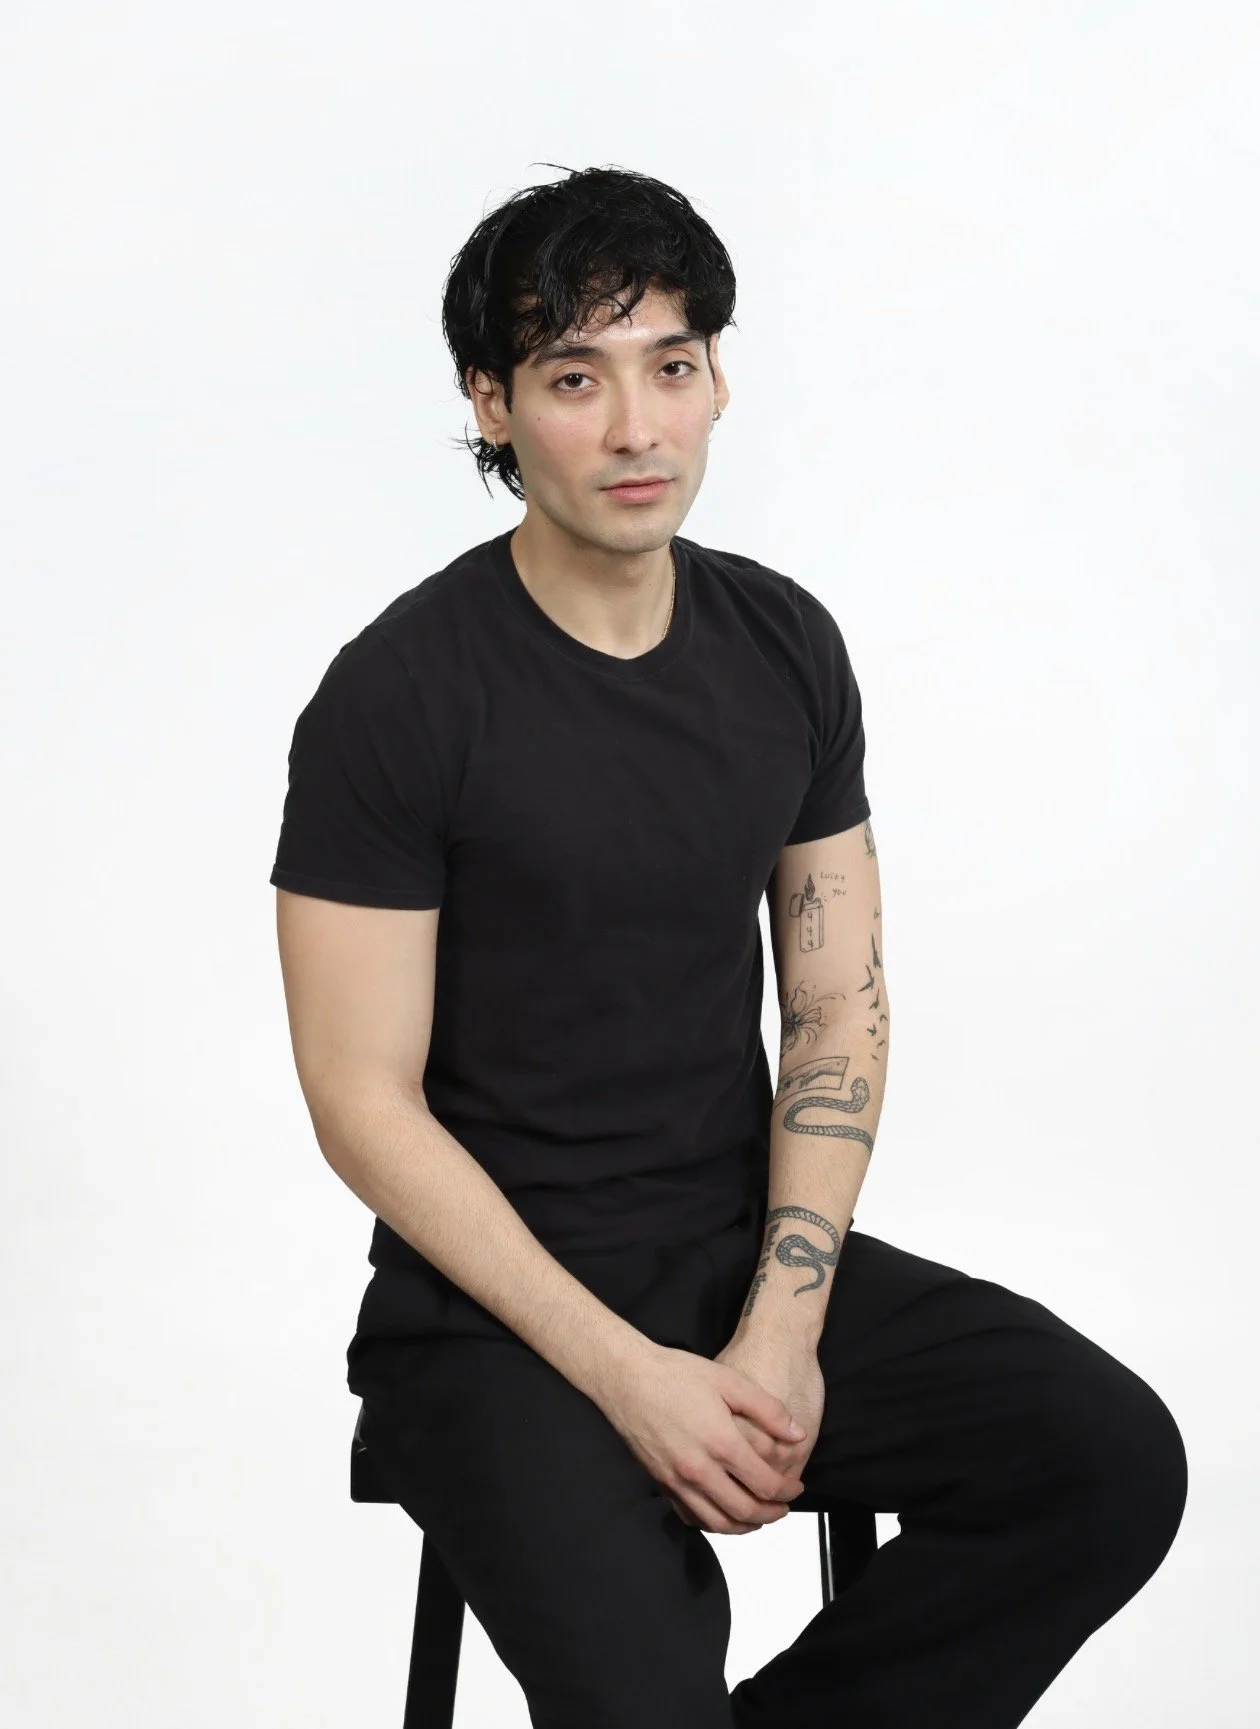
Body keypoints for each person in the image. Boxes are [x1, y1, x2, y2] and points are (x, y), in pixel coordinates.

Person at [269, 165, 1187, 1728]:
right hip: (489, 1321)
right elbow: (363, 1104)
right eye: (576, 378)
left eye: (672, 366)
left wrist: (782, 1325)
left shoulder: (783, 647)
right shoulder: (398, 698)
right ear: (492, 405)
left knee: (1103, 1460)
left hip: (732, 1257)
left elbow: (836, 1006)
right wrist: (629, 1374)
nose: (638, 429)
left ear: (717, 381)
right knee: (644, 1690)